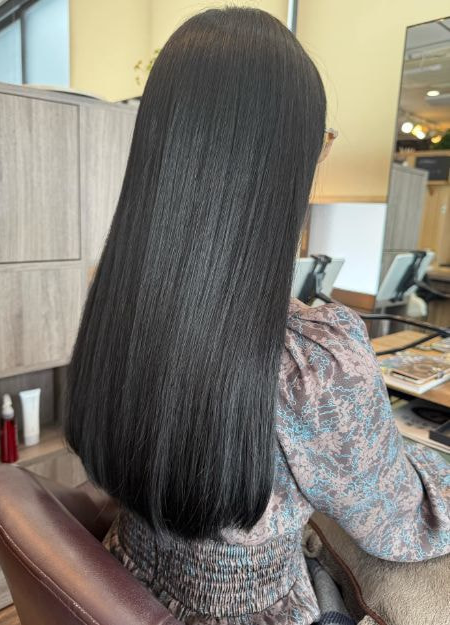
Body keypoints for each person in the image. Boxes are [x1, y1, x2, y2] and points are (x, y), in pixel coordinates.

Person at [63, 7, 449, 625]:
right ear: (290, 164)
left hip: (127, 580)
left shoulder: (118, 308)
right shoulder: (314, 365)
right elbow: (406, 526)